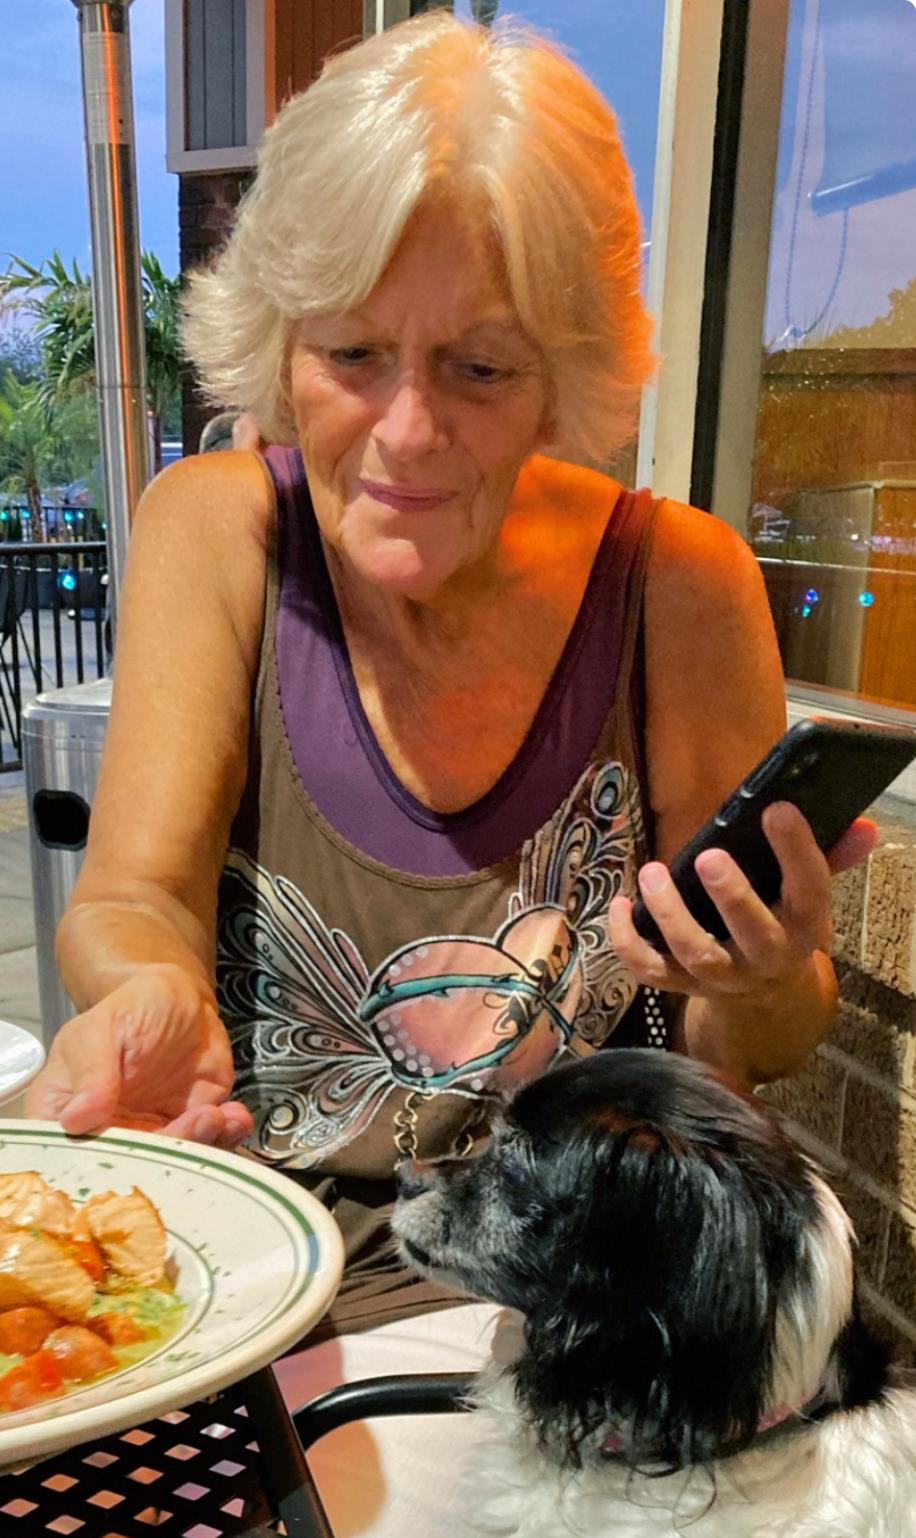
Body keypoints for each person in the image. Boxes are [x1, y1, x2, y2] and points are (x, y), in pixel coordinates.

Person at [26, 17, 871, 1521]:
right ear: (280, 339)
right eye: (352, 353)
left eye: (480, 367)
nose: (407, 432)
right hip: (269, 1274)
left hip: (604, 1320)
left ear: (570, 376)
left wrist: (760, 967)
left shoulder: (683, 583)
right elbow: (136, 894)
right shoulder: (214, 531)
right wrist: (146, 988)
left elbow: (758, 1047)